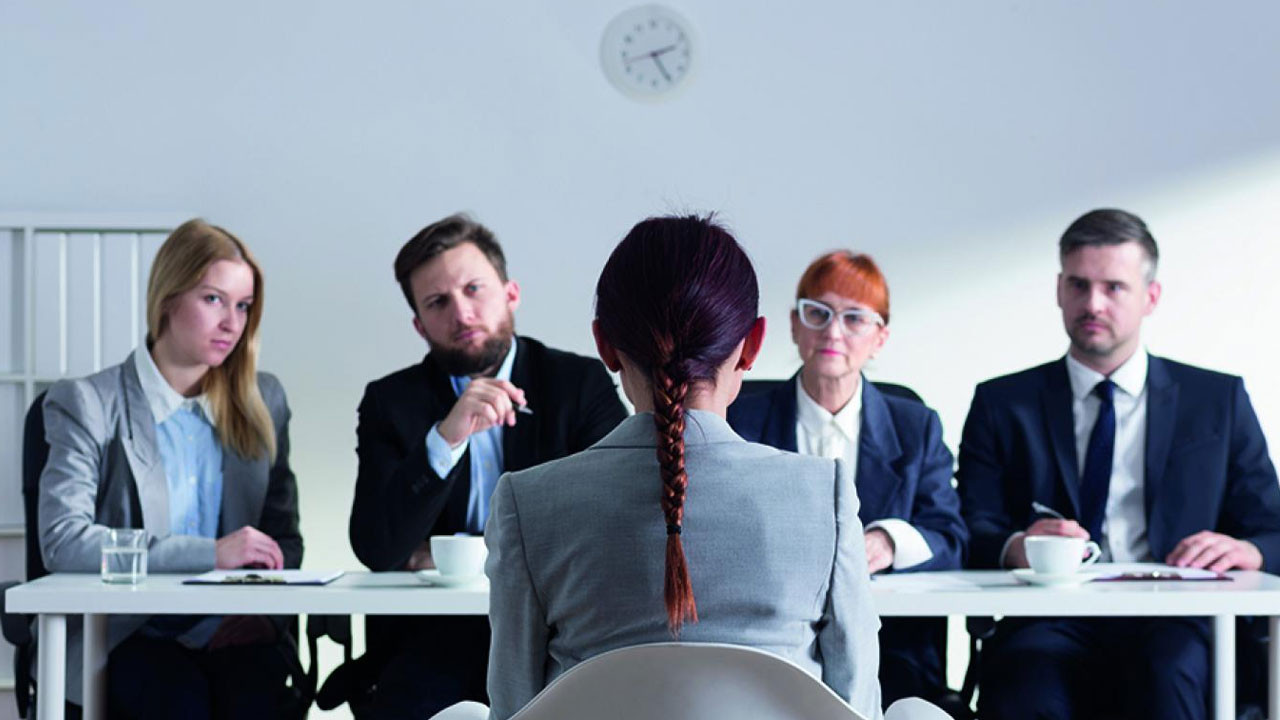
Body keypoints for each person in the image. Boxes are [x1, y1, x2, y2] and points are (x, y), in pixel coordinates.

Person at [484, 215, 884, 720]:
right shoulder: (821, 496)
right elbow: (858, 709)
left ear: (604, 345)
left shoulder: (529, 503)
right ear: (754, 345)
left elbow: (512, 709)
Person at [956, 208, 1280, 720]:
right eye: (1079, 285)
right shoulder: (1003, 403)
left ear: (1151, 297)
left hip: (1176, 618)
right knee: (1024, 690)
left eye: (1114, 287)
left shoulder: (1216, 400)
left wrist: (1247, 550)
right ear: (1059, 289)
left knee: (1169, 677)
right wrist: (1021, 546)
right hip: (1049, 617)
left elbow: (1272, 529)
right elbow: (969, 526)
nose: (1093, 304)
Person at [346, 213, 628, 717]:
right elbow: (377, 547)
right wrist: (445, 438)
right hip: (430, 643)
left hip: (559, 634)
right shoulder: (391, 402)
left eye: (474, 289)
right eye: (438, 302)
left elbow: (616, 520)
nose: (461, 312)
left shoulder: (578, 383)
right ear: (419, 324)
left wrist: (454, 554)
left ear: (510, 293)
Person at [38, 219, 302, 719]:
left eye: (243, 306)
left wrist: (267, 618)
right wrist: (211, 553)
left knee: (257, 697)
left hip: (234, 628)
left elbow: (282, 538)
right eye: (213, 300)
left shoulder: (263, 400)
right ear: (167, 298)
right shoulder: (90, 402)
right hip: (126, 631)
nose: (232, 322)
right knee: (175, 701)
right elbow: (63, 539)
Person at [727, 250, 966, 709]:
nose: (833, 332)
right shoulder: (741, 418)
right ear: (794, 326)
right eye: (817, 313)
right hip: (769, 644)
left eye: (854, 318)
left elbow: (951, 537)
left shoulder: (916, 427)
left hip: (894, 648)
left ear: (880, 337)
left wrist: (889, 542)